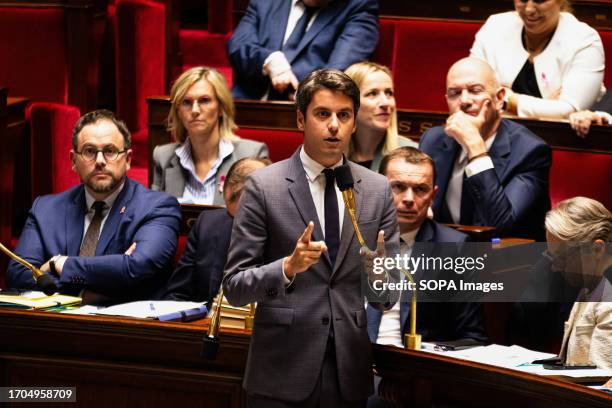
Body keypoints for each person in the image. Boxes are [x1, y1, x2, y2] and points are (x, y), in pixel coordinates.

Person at [223, 69, 399, 406]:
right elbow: (234, 286)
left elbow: (386, 297)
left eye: (343, 115)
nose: (334, 125)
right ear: (301, 120)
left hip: (348, 371)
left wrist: (378, 274)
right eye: (322, 114)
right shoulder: (265, 187)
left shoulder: (376, 190)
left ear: (353, 122)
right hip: (282, 370)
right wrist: (287, 268)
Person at [6, 110, 181, 304]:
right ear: (73, 161)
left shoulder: (157, 208)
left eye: (110, 151)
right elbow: (18, 275)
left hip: (125, 329)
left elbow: (136, 268)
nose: (99, 161)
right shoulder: (45, 209)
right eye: (89, 151)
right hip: (55, 327)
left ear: (128, 159)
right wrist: (97, 287)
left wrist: (60, 264)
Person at [419, 57, 552, 241]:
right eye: (455, 93)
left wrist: (475, 148)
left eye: (475, 90)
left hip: (507, 259)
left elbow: (500, 225)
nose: (464, 101)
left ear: (499, 99)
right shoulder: (433, 140)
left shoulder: (530, 151)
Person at [366, 147, 487, 348]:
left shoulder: (454, 248)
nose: (409, 199)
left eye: (420, 189)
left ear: (433, 195)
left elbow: (472, 338)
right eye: (398, 186)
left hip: (409, 370)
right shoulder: (350, 235)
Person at [152, 67, 269, 204]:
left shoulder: (251, 155)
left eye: (204, 100)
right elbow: (155, 215)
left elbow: (261, 217)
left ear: (220, 108)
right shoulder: (163, 157)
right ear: (178, 112)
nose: (195, 110)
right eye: (186, 102)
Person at [470, 0, 605, 119]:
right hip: (496, 133)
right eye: (522, 0)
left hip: (557, 138)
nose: (529, 9)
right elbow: (470, 91)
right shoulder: (495, 26)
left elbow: (568, 111)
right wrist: (550, 108)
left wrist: (506, 99)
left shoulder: (584, 40)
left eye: (539, 0)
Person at [164, 157, 271, 304]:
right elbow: (177, 295)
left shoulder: (290, 230)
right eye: (233, 217)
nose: (240, 228)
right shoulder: (208, 224)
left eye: (248, 221)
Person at [227, 0, 379, 101]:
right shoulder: (267, 2)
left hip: (304, 116)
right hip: (244, 106)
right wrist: (270, 61)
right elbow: (238, 46)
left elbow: (339, 72)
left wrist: (302, 88)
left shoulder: (358, 6)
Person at [545, 197, 612, 368]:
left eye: (562, 257)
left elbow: (601, 387)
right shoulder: (589, 285)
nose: (555, 267)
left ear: (597, 249)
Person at [344, 61, 417, 171]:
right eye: (372, 93)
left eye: (389, 93)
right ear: (348, 103)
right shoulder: (329, 153)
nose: (385, 103)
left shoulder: (412, 156)